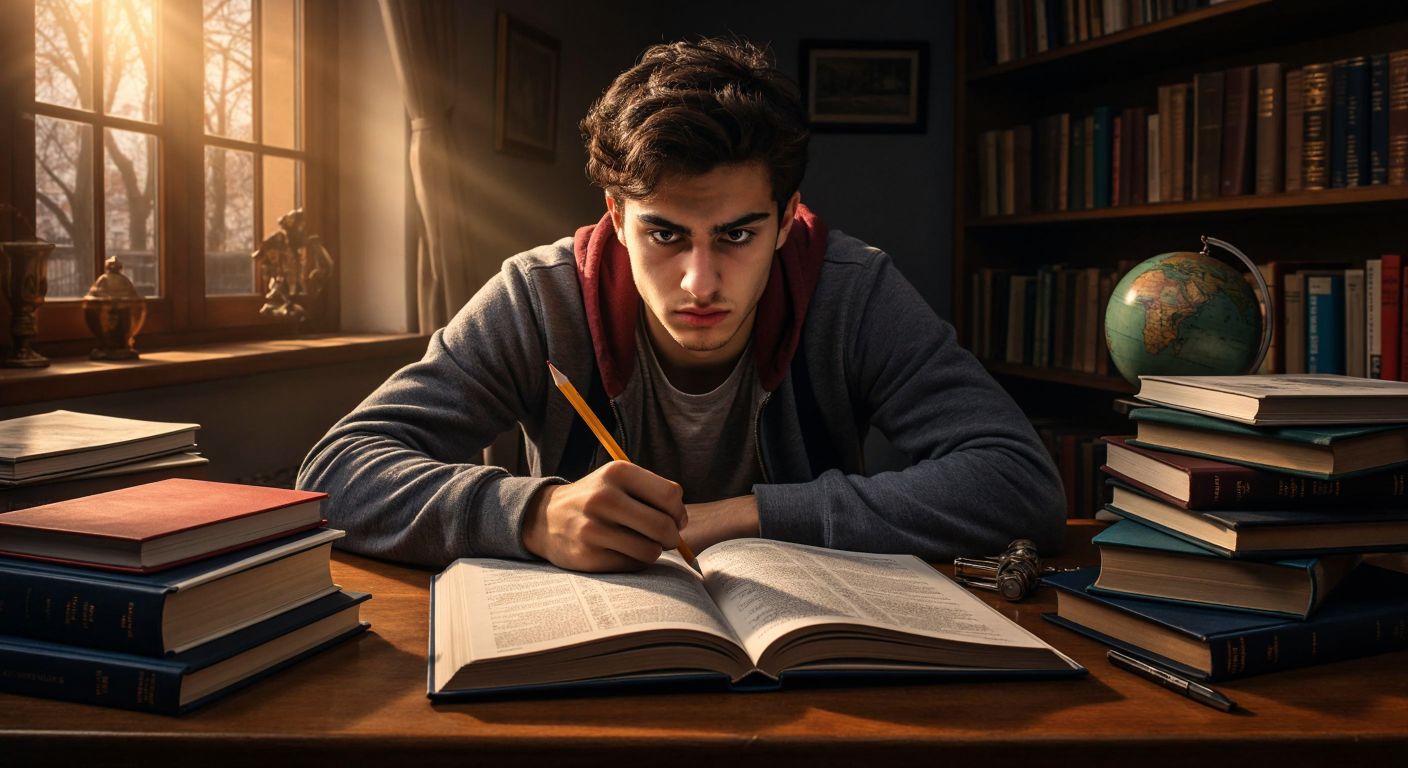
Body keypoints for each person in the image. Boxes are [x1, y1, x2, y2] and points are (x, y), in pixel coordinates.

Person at [297, 37, 1064, 572]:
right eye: (665, 233)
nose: (700, 282)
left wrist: (744, 514)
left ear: (789, 215)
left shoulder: (852, 290)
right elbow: (333, 476)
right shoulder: (539, 295)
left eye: (737, 233)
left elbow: (1019, 484)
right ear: (616, 216)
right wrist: (532, 515)